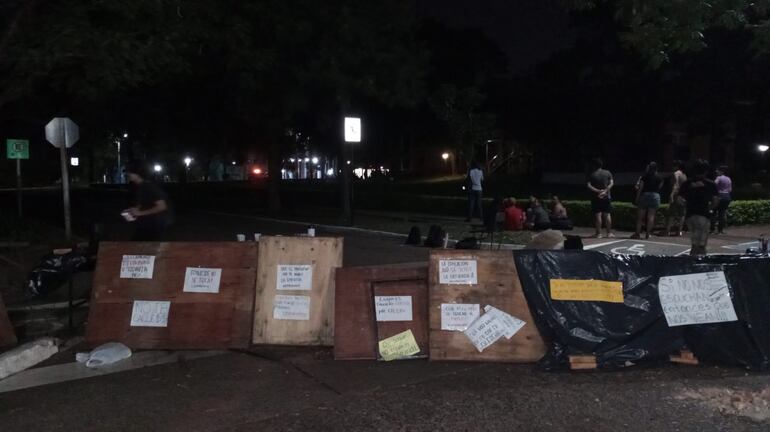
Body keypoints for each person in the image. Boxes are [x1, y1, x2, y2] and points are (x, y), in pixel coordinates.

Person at [679, 159, 719, 256]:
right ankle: (699, 261)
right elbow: (715, 200)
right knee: (701, 242)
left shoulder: (687, 183)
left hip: (690, 214)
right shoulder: (710, 184)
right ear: (706, 171)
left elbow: (679, 199)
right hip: (703, 213)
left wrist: (686, 205)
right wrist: (710, 208)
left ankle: (693, 258)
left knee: (694, 237)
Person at [125, 161, 170, 241]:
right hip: (146, 226)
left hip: (153, 227)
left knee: (135, 248)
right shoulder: (140, 187)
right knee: (134, 248)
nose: (128, 174)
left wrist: (140, 213)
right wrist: (133, 210)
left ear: (137, 173)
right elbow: (144, 203)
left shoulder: (148, 186)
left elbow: (162, 206)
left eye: (130, 172)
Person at [632, 162, 663, 239]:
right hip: (655, 195)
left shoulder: (644, 177)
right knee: (651, 216)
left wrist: (637, 197)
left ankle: (637, 233)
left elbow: (640, 188)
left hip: (645, 195)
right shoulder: (659, 178)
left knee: (640, 217)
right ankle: (648, 234)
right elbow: (659, 187)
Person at [587, 158, 614, 238]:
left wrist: (598, 191)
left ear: (594, 165)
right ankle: (609, 233)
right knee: (607, 214)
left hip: (596, 197)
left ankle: (598, 234)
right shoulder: (607, 172)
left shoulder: (592, 174)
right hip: (606, 196)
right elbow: (612, 183)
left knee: (598, 215)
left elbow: (589, 185)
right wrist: (605, 190)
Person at [665, 160, 688, 236]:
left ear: (676, 166)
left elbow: (675, 185)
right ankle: (679, 231)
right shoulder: (684, 175)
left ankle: (668, 231)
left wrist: (671, 194)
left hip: (676, 195)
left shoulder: (676, 174)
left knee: (671, 213)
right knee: (682, 214)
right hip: (683, 196)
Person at [711, 165, 732, 234]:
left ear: (721, 171)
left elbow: (713, 185)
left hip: (719, 196)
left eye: (718, 170)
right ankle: (721, 230)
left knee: (713, 212)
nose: (716, 171)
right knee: (722, 213)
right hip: (727, 196)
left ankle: (712, 229)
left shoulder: (719, 178)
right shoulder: (728, 179)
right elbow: (730, 189)